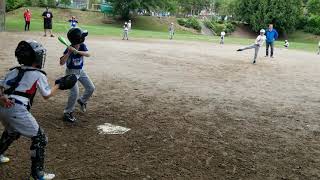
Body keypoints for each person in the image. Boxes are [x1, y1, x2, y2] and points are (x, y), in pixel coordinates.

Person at [0, 40, 74, 179]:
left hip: (3, 106)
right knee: (40, 138)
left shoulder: (14, 70)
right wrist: (59, 85)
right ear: (36, 57)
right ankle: (37, 174)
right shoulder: (39, 74)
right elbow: (46, 95)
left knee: (12, 131)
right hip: (17, 109)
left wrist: (1, 97)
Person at [60, 28, 95, 122]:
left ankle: (82, 101)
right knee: (75, 92)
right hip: (71, 73)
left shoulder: (82, 45)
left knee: (91, 88)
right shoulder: (69, 48)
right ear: (78, 39)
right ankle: (67, 113)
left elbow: (88, 54)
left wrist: (77, 52)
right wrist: (69, 52)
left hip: (80, 71)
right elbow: (61, 62)